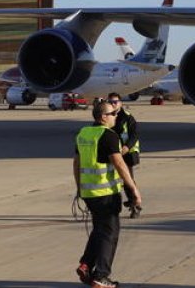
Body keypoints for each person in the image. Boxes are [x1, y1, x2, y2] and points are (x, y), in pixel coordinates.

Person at [74, 99, 143, 288]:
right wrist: (133, 190)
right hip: (105, 194)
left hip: (88, 193)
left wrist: (79, 187)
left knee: (99, 230)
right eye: (113, 114)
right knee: (110, 234)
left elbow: (76, 163)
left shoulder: (83, 134)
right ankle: (101, 276)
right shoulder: (109, 136)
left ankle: (86, 265)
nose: (116, 116)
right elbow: (120, 165)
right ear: (103, 117)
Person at [107, 92, 142, 218]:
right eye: (110, 102)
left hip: (127, 153)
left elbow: (134, 134)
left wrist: (127, 147)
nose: (113, 104)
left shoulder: (127, 117)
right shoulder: (107, 117)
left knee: (128, 180)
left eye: (115, 101)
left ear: (121, 103)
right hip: (112, 152)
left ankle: (135, 205)